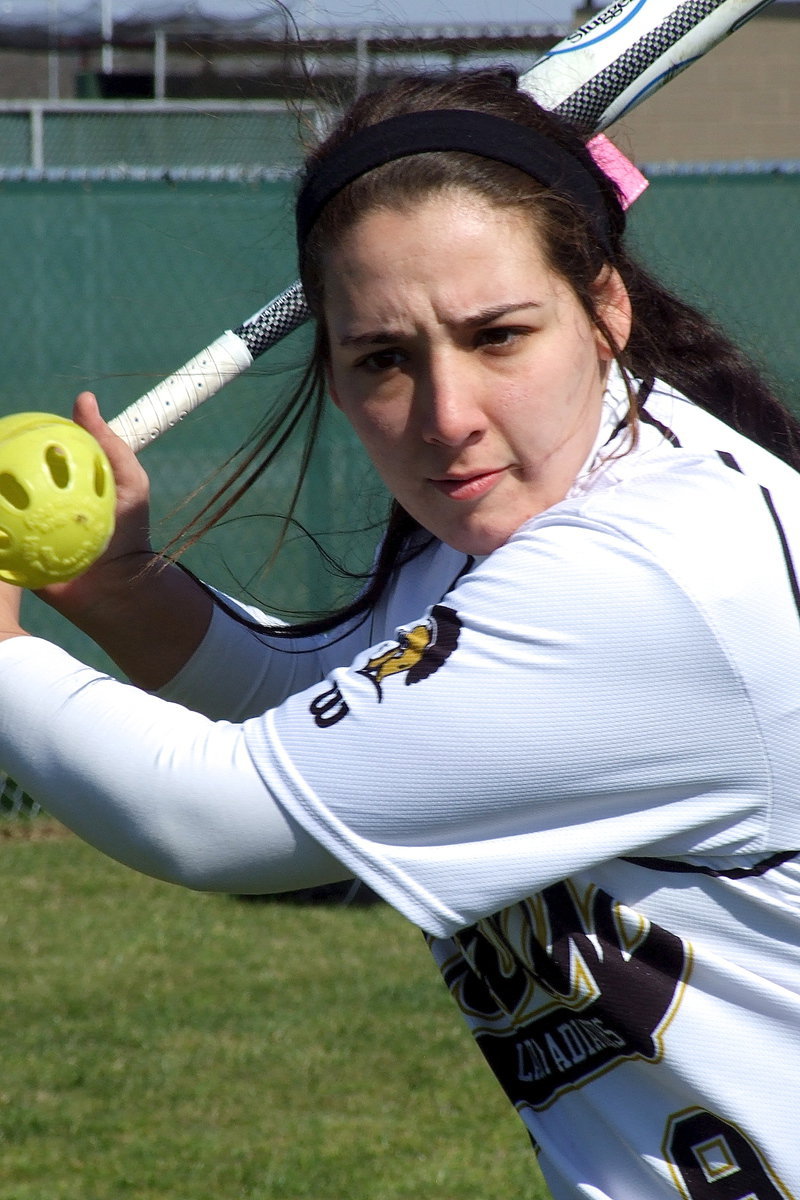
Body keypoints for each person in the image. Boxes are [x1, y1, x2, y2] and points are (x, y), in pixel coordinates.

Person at [1, 68, 800, 1198]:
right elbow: (324, 705)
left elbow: (217, 811)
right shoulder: (516, 518)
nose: (446, 416)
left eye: (498, 336)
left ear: (604, 308)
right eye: (382, 357)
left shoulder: (654, 577)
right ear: (328, 369)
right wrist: (125, 588)